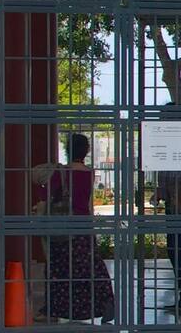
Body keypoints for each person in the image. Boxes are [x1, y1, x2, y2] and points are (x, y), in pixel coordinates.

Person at [43, 134, 115, 323]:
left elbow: (49, 194)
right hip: (83, 225)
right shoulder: (89, 173)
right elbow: (89, 201)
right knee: (91, 267)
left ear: (67, 150)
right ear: (87, 151)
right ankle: (104, 301)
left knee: (60, 269)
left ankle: (59, 308)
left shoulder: (60, 172)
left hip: (62, 225)